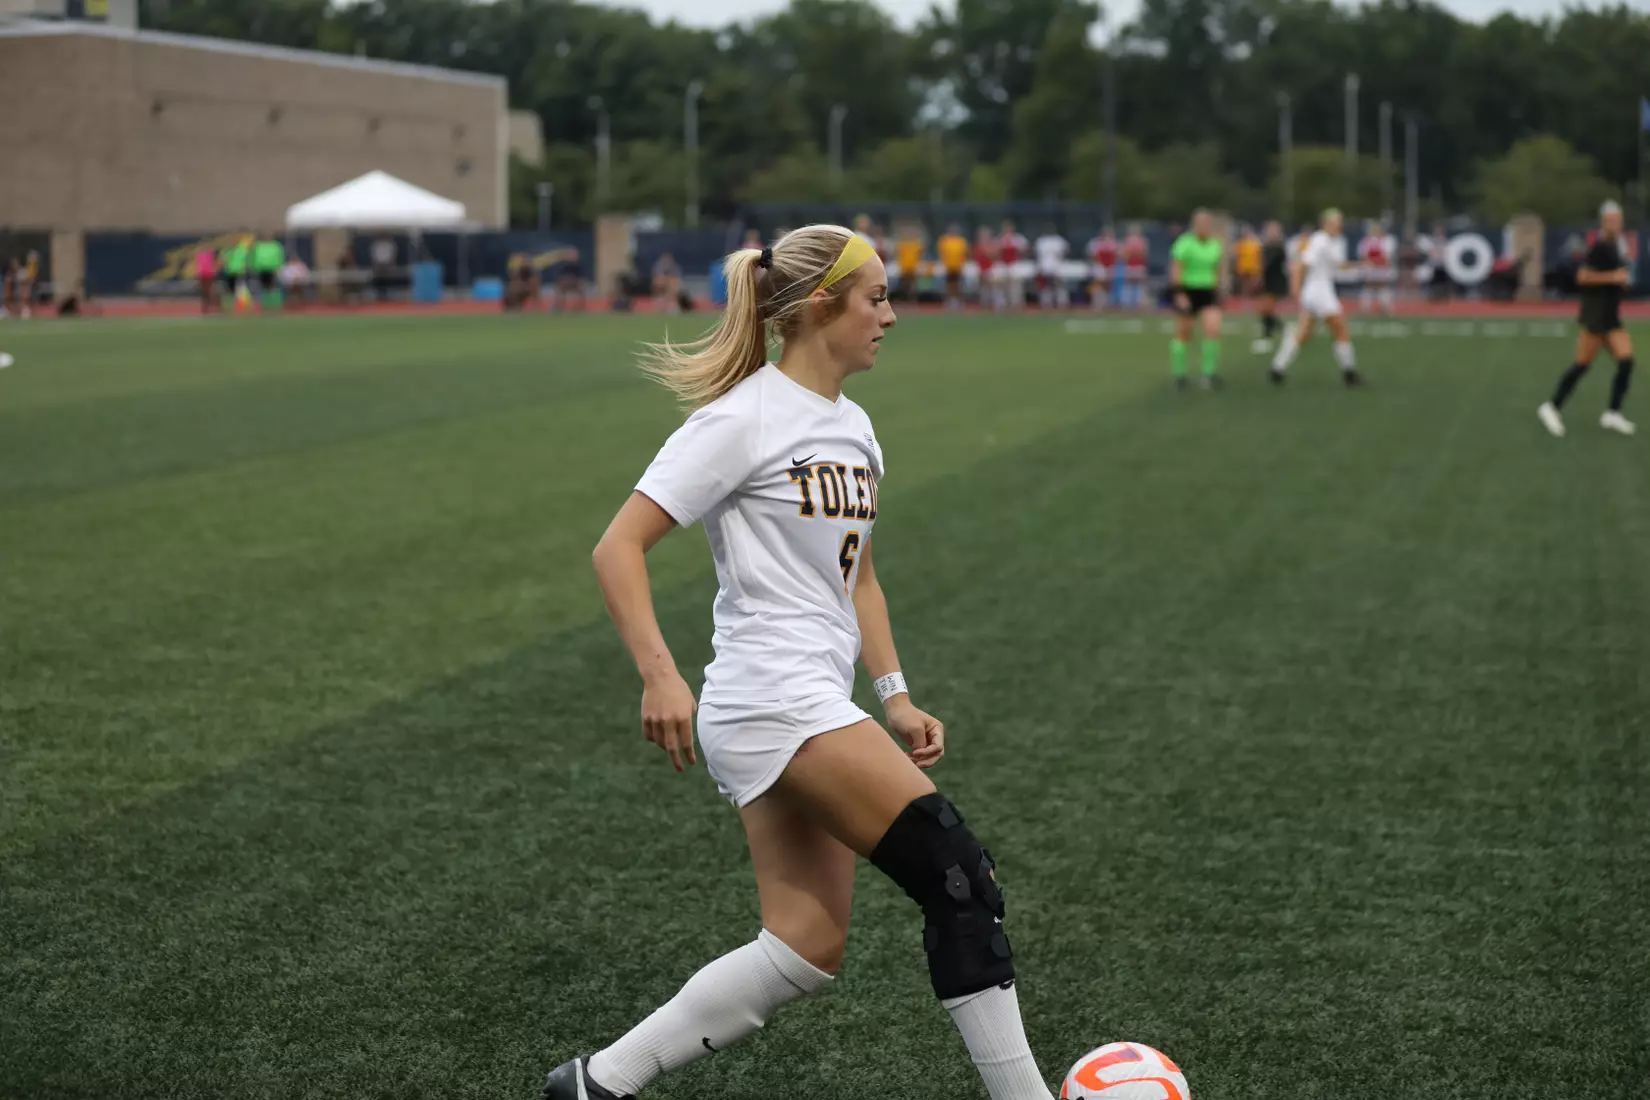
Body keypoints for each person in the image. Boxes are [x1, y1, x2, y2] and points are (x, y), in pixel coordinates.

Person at [545, 224, 1057, 1100]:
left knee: (803, 950)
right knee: (959, 876)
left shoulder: (855, 428)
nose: (891, 316)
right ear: (824, 306)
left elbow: (859, 576)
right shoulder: (741, 419)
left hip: (805, 700)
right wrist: (661, 675)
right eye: (877, 298)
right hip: (770, 699)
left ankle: (595, 1085)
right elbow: (617, 547)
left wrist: (894, 695)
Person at [1538, 201, 1635, 437]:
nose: (1617, 224)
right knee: (1581, 365)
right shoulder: (1599, 247)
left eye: (1619, 219)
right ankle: (1551, 407)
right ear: (1604, 222)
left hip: (1611, 317)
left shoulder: (1614, 246)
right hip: (1596, 317)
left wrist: (1622, 281)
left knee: (1626, 361)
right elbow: (1583, 277)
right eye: (1613, 220)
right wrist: (1614, 277)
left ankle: (1613, 413)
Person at [1270, 208, 1363, 388]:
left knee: (1303, 333)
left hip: (1317, 292)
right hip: (1320, 293)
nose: (1339, 226)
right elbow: (1301, 264)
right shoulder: (1320, 241)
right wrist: (1296, 289)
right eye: (1336, 222)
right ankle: (1350, 373)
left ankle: (1277, 368)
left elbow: (1338, 265)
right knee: (1341, 330)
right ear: (1326, 224)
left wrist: (1359, 264)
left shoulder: (1328, 241)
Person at [1168, 210, 1225, 390]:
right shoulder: (1185, 243)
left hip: (1208, 291)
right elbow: (1176, 267)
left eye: (1207, 223)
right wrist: (1179, 293)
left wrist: (1219, 288)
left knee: (1213, 330)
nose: (1204, 227)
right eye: (1201, 223)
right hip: (1188, 290)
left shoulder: (1216, 244)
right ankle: (1180, 375)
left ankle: (1208, 374)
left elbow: (1217, 268)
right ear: (1194, 225)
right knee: (1184, 333)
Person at [1252, 221, 1289, 354]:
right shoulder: (1265, 247)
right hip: (1267, 282)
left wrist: (1259, 276)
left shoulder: (1279, 248)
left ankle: (1273, 335)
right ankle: (1276, 332)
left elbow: (1268, 265)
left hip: (1276, 282)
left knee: (1266, 309)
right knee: (1264, 310)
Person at [1358, 220, 1397, 315]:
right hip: (1373, 268)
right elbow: (1363, 256)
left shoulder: (1386, 240)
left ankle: (1384, 307)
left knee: (1381, 288)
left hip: (1380, 268)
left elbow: (1387, 258)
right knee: (1372, 288)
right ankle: (1368, 308)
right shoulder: (1367, 241)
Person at [1033, 225, 1070, 309]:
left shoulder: (1059, 240)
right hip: (1044, 264)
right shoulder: (1041, 241)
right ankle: (1046, 303)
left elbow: (1066, 251)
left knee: (1059, 285)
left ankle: (1062, 303)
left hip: (1057, 265)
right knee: (1046, 286)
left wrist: (1061, 260)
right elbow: (1036, 254)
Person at [937, 224, 969, 311]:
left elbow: (965, 254)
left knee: (959, 285)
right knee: (949, 285)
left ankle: (959, 301)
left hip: (958, 266)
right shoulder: (944, 241)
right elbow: (942, 253)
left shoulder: (961, 241)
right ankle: (950, 300)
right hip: (948, 267)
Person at [996, 220, 1026, 310]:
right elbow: (996, 252)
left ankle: (1016, 302)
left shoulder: (1018, 239)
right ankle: (1004, 302)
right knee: (1002, 284)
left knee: (1015, 284)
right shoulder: (1001, 239)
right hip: (1003, 263)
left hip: (1014, 263)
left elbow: (1024, 249)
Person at [1086, 226, 1118, 310]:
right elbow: (1092, 255)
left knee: (1108, 286)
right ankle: (1096, 302)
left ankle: (1106, 303)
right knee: (1097, 285)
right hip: (1099, 266)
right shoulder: (1096, 243)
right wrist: (1098, 266)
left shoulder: (1113, 243)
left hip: (1109, 267)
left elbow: (1116, 255)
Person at [1119, 224, 1149, 310]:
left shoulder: (1143, 241)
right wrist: (1132, 253)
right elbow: (1125, 255)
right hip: (1130, 265)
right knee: (1128, 284)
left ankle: (1139, 302)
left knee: (1139, 285)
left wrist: (1136, 253)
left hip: (1139, 265)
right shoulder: (1127, 241)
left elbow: (1144, 254)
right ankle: (1126, 302)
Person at [894, 225, 924, 302]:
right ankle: (904, 298)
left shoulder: (917, 244)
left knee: (913, 284)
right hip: (904, 267)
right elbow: (898, 255)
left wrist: (919, 266)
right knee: (904, 284)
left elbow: (920, 256)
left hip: (913, 267)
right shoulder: (902, 244)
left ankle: (913, 299)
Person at [1233, 225, 1261, 299]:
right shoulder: (1240, 243)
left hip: (1253, 268)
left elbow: (1258, 257)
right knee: (1244, 285)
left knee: (1252, 285)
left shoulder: (1255, 243)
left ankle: (1251, 298)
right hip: (1243, 267)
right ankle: (1244, 298)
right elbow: (1237, 255)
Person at [973, 226, 998, 309]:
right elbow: (976, 257)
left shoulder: (992, 244)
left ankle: (996, 303)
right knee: (983, 287)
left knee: (993, 286)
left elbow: (994, 256)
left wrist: (987, 252)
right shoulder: (978, 245)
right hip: (981, 268)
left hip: (991, 268)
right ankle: (984, 303)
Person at [194, 245, 218, 315]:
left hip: (208, 275)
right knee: (205, 292)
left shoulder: (207, 255)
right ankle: (206, 307)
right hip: (205, 275)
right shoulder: (203, 255)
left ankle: (208, 306)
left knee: (208, 291)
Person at [17, 250, 39, 319]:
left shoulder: (34, 266)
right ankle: (25, 310)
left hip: (31, 283)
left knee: (28, 296)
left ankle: (28, 310)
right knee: (25, 296)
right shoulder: (29, 266)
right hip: (28, 282)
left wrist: (31, 280)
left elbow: (33, 276)